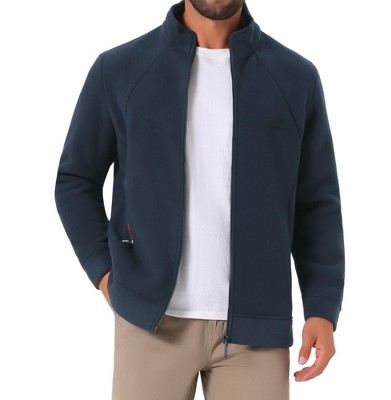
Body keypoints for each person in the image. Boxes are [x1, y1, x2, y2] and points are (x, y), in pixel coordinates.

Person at [54, 0, 345, 399]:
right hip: (152, 322)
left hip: (256, 331)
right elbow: (75, 180)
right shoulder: (120, 69)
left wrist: (322, 308)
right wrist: (105, 274)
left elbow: (317, 204)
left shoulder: (295, 78)